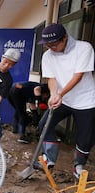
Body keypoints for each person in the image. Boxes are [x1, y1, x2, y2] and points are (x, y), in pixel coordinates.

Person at [36, 23, 95, 178]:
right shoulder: (47, 55)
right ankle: (49, 158)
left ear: (65, 39)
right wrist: (54, 93)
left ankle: (79, 165)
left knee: (85, 136)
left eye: (54, 44)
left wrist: (60, 94)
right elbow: (51, 78)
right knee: (44, 125)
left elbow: (78, 76)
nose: (51, 47)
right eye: (48, 45)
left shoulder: (84, 48)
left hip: (86, 101)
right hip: (63, 99)